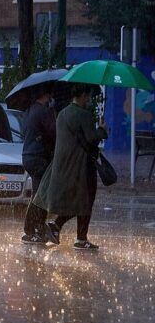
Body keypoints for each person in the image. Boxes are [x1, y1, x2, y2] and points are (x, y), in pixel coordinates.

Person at [33, 84, 107, 250]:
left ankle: (58, 226)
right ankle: (79, 237)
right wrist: (102, 130)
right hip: (82, 165)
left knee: (78, 200)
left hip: (63, 164)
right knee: (86, 200)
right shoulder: (84, 115)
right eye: (87, 96)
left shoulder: (62, 114)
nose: (88, 99)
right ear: (82, 95)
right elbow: (91, 139)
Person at [20, 86, 57, 245]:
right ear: (45, 95)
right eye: (49, 94)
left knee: (37, 194)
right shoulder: (42, 111)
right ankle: (36, 230)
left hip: (28, 155)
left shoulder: (29, 111)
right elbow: (54, 132)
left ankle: (30, 229)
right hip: (38, 157)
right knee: (41, 196)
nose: (50, 97)